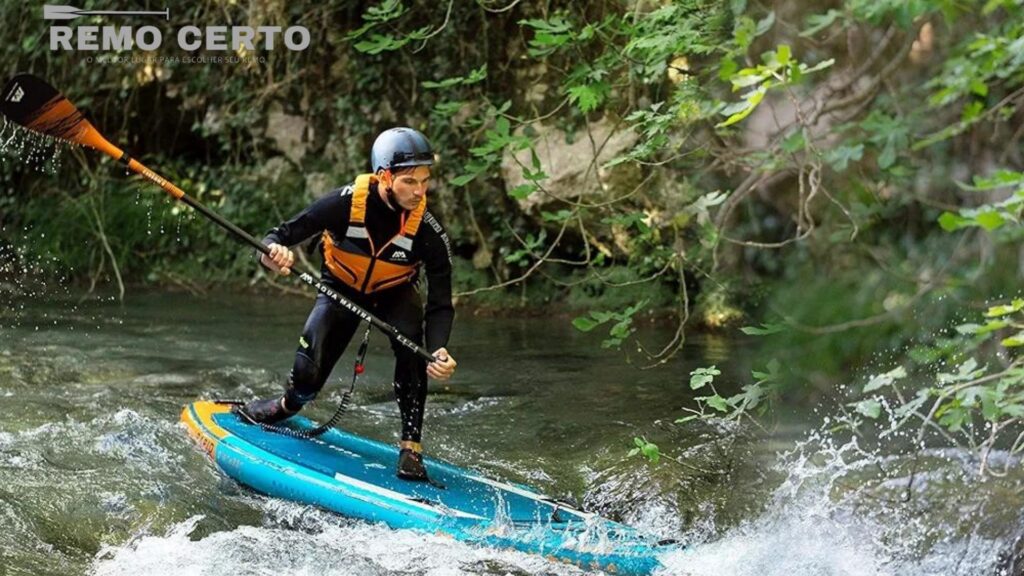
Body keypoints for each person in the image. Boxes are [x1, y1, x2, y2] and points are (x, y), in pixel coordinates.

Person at [240, 127, 457, 482]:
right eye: (409, 182)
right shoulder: (343, 203)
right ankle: (288, 405)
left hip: (394, 292)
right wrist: (273, 254)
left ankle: (411, 448)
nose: (420, 192)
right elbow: (279, 236)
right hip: (342, 287)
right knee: (309, 369)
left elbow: (441, 300)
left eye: (425, 181)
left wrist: (440, 349)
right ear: (384, 176)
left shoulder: (428, 231)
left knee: (413, 345)